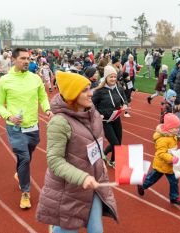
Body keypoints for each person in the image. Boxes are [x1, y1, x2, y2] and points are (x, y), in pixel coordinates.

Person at [35, 71, 119, 233]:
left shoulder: (93, 114)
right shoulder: (59, 123)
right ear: (72, 95)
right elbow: (54, 160)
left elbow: (96, 143)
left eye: (90, 88)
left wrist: (101, 158)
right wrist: (83, 177)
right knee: (68, 230)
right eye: (85, 90)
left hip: (93, 185)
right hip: (69, 190)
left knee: (96, 230)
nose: (90, 93)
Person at [0, 47, 53, 209]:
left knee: (26, 157)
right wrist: (8, 116)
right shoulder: (3, 81)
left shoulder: (35, 78)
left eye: (28, 58)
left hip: (33, 127)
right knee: (25, 158)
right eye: (22, 58)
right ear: (13, 60)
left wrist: (47, 109)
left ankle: (20, 174)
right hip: (16, 128)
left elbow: (42, 96)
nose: (27, 61)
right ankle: (25, 192)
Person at [137, 113, 180, 205]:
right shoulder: (162, 140)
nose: (178, 129)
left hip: (170, 165)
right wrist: (172, 158)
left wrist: (177, 155)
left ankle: (174, 198)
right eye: (176, 128)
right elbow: (161, 153)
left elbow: (172, 149)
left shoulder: (172, 135)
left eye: (179, 127)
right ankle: (141, 185)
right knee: (152, 179)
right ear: (169, 128)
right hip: (161, 165)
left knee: (174, 181)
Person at [92, 66, 128, 169]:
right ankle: (104, 152)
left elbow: (124, 99)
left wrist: (125, 104)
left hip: (116, 118)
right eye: (110, 77)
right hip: (105, 121)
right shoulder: (99, 91)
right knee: (115, 143)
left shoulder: (119, 88)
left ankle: (113, 160)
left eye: (114, 77)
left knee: (119, 143)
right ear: (106, 77)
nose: (113, 79)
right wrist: (97, 113)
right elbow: (91, 106)